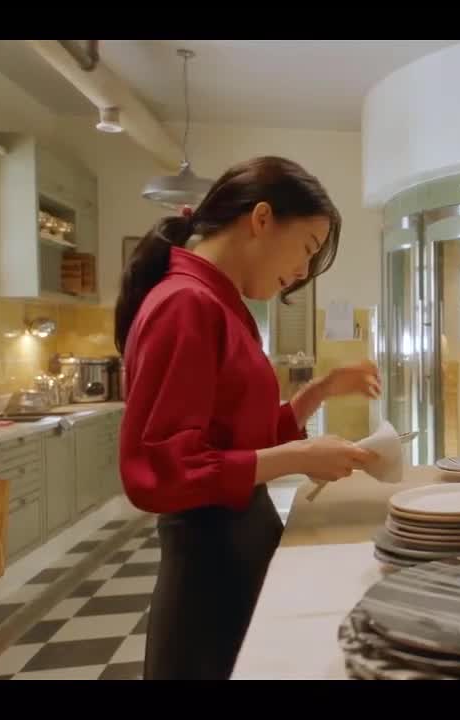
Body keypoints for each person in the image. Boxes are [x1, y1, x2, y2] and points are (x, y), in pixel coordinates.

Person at [115, 156, 381, 680]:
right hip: (211, 567)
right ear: (261, 219)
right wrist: (299, 456)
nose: (303, 272)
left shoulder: (218, 303)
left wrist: (319, 392)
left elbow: (239, 438)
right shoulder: (186, 303)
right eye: (307, 248)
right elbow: (163, 469)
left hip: (236, 547)